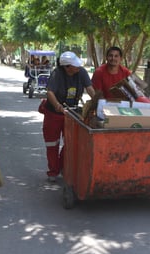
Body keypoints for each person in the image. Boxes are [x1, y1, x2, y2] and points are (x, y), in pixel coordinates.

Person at [42, 51, 95, 182]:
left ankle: (62, 166)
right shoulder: (57, 74)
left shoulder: (81, 72)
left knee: (71, 143)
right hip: (53, 114)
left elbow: (90, 89)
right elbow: (50, 93)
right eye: (74, 66)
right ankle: (53, 171)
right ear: (67, 67)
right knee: (52, 144)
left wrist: (98, 103)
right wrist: (58, 107)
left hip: (72, 112)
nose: (78, 67)